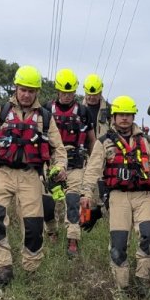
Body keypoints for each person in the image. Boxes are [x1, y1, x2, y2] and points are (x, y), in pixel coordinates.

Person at [0, 65, 68, 286]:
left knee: (34, 226)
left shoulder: (45, 117)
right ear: (16, 87)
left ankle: (31, 270)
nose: (26, 94)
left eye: (31, 91)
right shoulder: (1, 111)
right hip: (2, 172)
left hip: (31, 176)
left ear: (37, 92)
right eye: (23, 89)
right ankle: (3, 267)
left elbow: (59, 149)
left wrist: (61, 166)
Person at [83, 96, 150, 294]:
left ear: (133, 116)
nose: (125, 118)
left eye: (128, 115)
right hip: (118, 196)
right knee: (119, 244)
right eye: (121, 114)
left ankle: (142, 280)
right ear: (114, 116)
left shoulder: (144, 140)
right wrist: (86, 193)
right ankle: (122, 288)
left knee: (149, 237)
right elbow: (92, 171)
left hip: (143, 196)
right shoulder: (104, 142)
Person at [47, 69, 94, 258]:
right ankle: (51, 230)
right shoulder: (46, 109)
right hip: (50, 163)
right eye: (63, 92)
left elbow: (91, 140)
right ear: (57, 90)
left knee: (73, 200)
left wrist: (94, 163)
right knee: (46, 202)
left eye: (70, 93)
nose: (67, 96)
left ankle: (72, 239)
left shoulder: (83, 112)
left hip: (75, 162)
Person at [83, 73, 109, 139]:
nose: (92, 97)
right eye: (89, 94)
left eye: (95, 95)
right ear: (85, 93)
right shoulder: (79, 110)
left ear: (100, 93)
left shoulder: (109, 110)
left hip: (103, 147)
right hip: (85, 147)